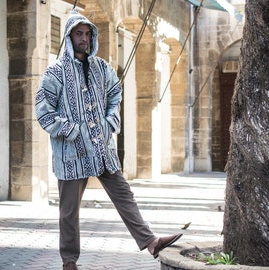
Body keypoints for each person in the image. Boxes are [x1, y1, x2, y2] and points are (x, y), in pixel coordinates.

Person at [35, 9, 182, 270]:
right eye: (79, 34)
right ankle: (69, 262)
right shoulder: (55, 72)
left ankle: (150, 242)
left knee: (124, 195)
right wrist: (72, 130)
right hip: (72, 154)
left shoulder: (102, 68)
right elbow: (43, 110)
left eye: (87, 34)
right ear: (69, 37)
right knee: (69, 211)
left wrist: (109, 122)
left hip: (102, 149)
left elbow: (115, 94)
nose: (84, 39)